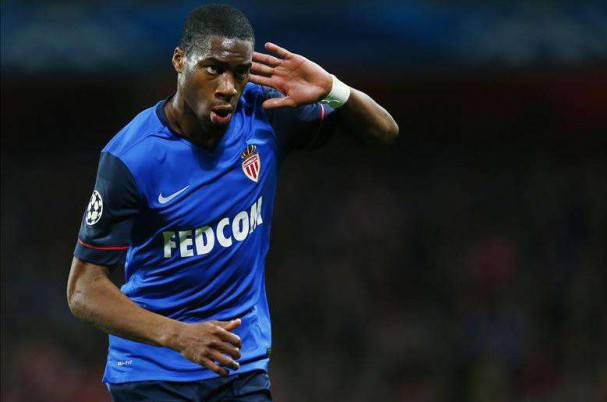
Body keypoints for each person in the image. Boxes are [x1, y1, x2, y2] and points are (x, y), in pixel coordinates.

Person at [66, 3, 398, 401]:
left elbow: (383, 132)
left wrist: (332, 88)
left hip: (238, 365)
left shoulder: (265, 113)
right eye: (213, 69)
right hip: (151, 371)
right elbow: (83, 290)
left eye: (240, 73)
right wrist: (179, 336)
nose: (227, 87)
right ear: (180, 60)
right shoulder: (132, 157)